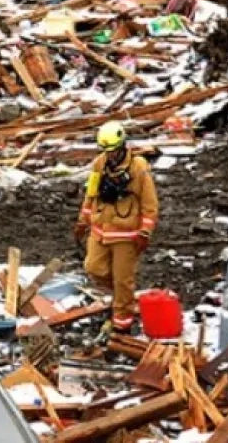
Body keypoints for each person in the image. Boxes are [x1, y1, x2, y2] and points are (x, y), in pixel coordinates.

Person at [74, 122, 159, 334]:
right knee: (94, 267)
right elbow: (90, 195)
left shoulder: (139, 167)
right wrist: (83, 221)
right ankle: (124, 299)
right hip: (100, 229)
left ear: (122, 146)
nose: (110, 156)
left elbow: (150, 203)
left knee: (123, 279)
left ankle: (122, 322)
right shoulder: (99, 164)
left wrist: (145, 231)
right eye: (106, 151)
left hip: (126, 233)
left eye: (113, 151)